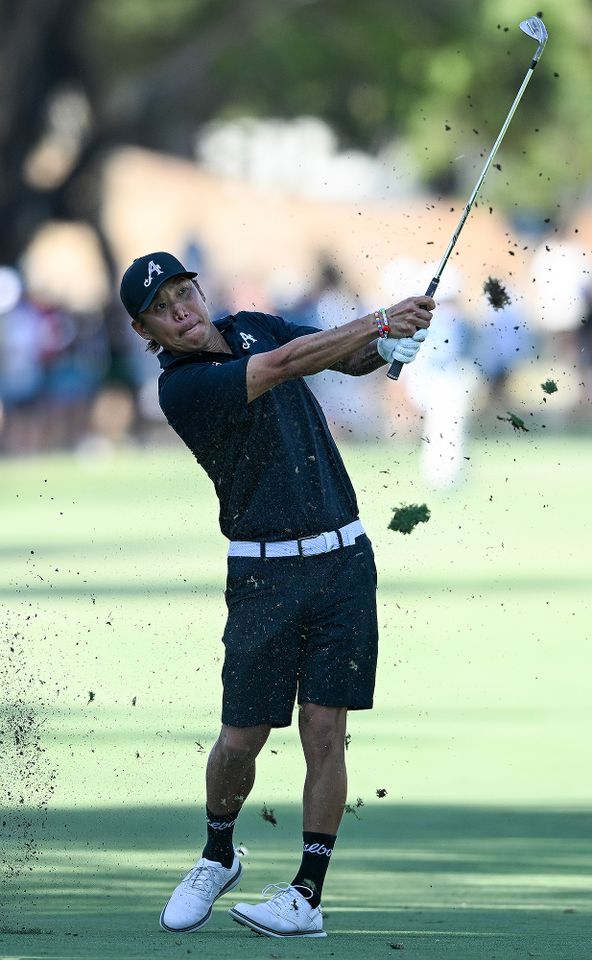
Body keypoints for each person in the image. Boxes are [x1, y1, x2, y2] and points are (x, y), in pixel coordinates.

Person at [119, 251, 434, 939]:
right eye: (162, 309)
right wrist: (379, 317)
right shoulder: (184, 388)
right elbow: (286, 366)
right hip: (264, 575)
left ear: (198, 291)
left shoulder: (256, 323)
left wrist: (387, 344)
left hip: (344, 559)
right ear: (149, 330)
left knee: (326, 731)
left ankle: (306, 896)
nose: (181, 310)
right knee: (242, 739)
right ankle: (217, 852)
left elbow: (335, 360)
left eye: (184, 292)